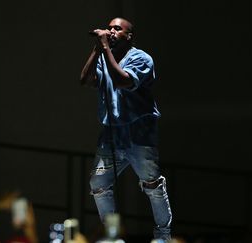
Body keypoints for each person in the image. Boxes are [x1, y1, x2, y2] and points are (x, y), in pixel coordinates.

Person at [80, 17, 172, 241]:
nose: (111, 31)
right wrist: (97, 49)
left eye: (117, 29)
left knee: (152, 185)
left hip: (139, 134)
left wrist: (104, 48)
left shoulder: (142, 59)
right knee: (99, 184)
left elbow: (123, 81)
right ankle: (112, 235)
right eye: (109, 28)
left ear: (129, 36)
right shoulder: (104, 56)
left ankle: (163, 236)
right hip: (111, 135)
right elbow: (86, 79)